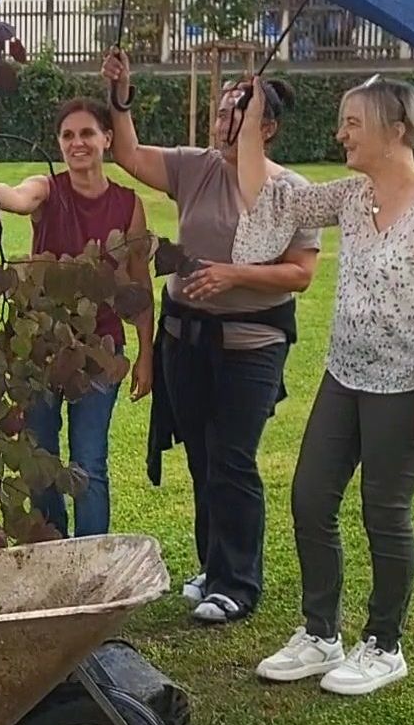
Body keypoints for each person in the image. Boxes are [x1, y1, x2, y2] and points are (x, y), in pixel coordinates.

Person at [234, 75, 414, 695]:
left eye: (352, 122)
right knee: (311, 497)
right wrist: (250, 118)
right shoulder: (351, 196)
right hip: (344, 375)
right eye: (341, 121)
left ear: (396, 129)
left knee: (384, 514)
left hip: (406, 385)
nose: (339, 132)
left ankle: (384, 645)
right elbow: (271, 197)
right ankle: (321, 634)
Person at [102, 49, 320, 625]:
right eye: (224, 109)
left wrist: (235, 274)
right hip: (185, 338)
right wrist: (121, 96)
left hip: (251, 345)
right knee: (201, 455)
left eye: (240, 112)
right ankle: (213, 567)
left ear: (266, 128)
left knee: (233, 457)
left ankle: (239, 583)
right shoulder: (194, 166)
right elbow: (126, 153)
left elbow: (301, 272)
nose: (226, 120)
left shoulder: (289, 190)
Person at [0, 95, 153, 540]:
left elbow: (138, 284)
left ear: (107, 139)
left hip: (101, 351)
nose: (77, 143)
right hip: (41, 351)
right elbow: (17, 200)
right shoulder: (48, 189)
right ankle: (53, 548)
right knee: (41, 456)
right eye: (68, 135)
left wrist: (146, 353)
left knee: (89, 461)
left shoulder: (128, 205)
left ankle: (92, 558)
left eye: (87, 133)